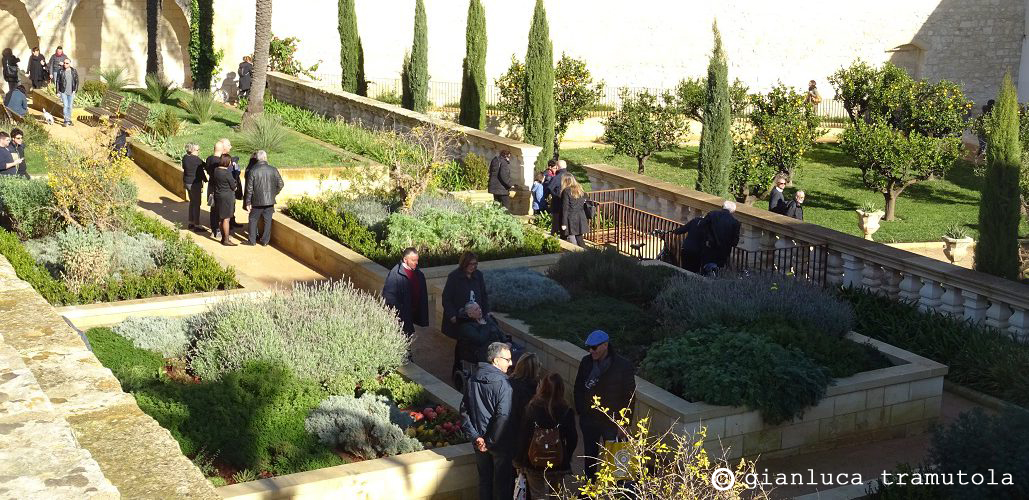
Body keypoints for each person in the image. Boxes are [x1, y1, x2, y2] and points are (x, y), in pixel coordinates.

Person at [573, 330, 635, 482]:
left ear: (605, 345)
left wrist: (624, 423)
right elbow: (578, 388)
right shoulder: (586, 362)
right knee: (590, 456)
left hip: (611, 421)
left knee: (615, 457)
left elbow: (630, 397)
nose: (591, 351)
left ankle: (616, 490)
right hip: (589, 419)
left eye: (594, 348)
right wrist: (582, 411)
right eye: (589, 347)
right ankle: (589, 487)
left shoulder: (623, 366)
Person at [460, 341, 515, 500]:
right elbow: (503, 416)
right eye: (507, 359)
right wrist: (488, 441)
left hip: (480, 443)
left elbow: (464, 411)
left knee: (485, 482)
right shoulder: (504, 385)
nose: (511, 363)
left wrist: (476, 437)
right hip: (499, 444)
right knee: (501, 486)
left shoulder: (473, 378)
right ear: (496, 360)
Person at [514, 373, 577, 499]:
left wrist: (519, 461)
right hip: (557, 461)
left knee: (537, 494)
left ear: (541, 388)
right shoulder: (566, 411)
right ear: (561, 389)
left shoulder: (531, 408)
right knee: (556, 494)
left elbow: (523, 436)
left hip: (534, 461)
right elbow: (573, 439)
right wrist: (566, 456)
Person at [382, 247, 429, 336]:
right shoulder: (395, 274)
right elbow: (388, 296)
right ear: (405, 259)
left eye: (417, 260)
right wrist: (399, 312)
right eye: (413, 260)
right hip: (403, 314)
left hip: (413, 311)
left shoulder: (418, 273)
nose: (416, 263)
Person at [243, 150, 284, 246]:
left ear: (257, 158)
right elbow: (281, 184)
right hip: (269, 201)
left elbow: (249, 188)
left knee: (253, 219)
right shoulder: (273, 169)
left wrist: (248, 202)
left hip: (257, 201)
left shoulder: (253, 170)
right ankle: (265, 241)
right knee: (267, 220)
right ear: (265, 158)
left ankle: (252, 240)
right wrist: (273, 194)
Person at [456, 301, 507, 374]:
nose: (480, 310)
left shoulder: (486, 319)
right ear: (470, 314)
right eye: (476, 309)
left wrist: (506, 341)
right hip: (476, 352)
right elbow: (480, 340)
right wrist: (484, 326)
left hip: (494, 347)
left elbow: (497, 330)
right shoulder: (466, 327)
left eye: (479, 308)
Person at [699, 200, 742, 271]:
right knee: (716, 272)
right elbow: (735, 242)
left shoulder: (712, 214)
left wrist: (707, 239)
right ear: (733, 211)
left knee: (705, 270)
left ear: (722, 207)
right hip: (723, 252)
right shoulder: (735, 223)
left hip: (708, 248)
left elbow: (701, 226)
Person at [210, 154, 239, 246]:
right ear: (228, 162)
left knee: (221, 218)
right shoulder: (227, 173)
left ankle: (223, 237)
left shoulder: (216, 170)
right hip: (227, 197)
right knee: (226, 219)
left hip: (218, 195)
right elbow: (234, 187)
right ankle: (226, 239)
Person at [181, 143, 206, 232]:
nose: (198, 151)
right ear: (191, 150)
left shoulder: (185, 158)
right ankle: (197, 224)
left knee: (192, 202)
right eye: (197, 150)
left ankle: (191, 222)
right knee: (197, 204)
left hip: (187, 182)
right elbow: (204, 165)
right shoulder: (196, 159)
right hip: (194, 184)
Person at [559, 174, 589, 248]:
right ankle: (585, 254)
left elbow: (565, 208)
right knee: (579, 238)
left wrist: (563, 223)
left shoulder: (566, 191)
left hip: (570, 218)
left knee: (571, 239)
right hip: (581, 217)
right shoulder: (580, 189)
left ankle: (576, 254)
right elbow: (585, 200)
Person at [545, 160, 569, 235]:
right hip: (569, 205)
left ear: (557, 167)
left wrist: (554, 195)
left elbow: (549, 188)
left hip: (557, 204)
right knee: (565, 224)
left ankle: (554, 240)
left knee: (555, 226)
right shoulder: (571, 176)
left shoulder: (556, 178)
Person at [54, 58, 78, 127]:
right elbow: (57, 81)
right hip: (63, 91)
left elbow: (76, 81)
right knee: (65, 106)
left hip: (71, 92)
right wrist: (57, 91)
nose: (65, 64)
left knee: (70, 107)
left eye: (67, 63)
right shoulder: (60, 71)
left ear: (70, 64)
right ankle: (65, 121)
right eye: (64, 63)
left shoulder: (73, 71)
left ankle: (69, 120)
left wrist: (75, 91)